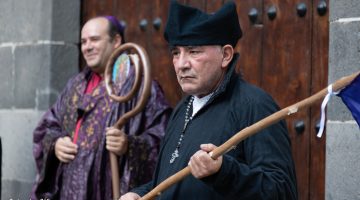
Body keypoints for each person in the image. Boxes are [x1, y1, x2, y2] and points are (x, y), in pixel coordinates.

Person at [120, 1, 298, 199]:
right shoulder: (183, 108)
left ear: (226, 55)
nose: (181, 64)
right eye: (176, 53)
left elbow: (282, 191)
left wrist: (223, 172)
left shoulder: (254, 106)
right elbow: (168, 183)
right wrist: (139, 194)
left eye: (194, 52)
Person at [31, 16, 172, 200]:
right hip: (69, 190)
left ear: (116, 41)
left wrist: (129, 145)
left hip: (106, 190)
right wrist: (56, 144)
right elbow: (47, 127)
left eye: (95, 39)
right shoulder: (75, 85)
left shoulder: (140, 86)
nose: (87, 47)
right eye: (83, 41)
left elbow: (165, 140)